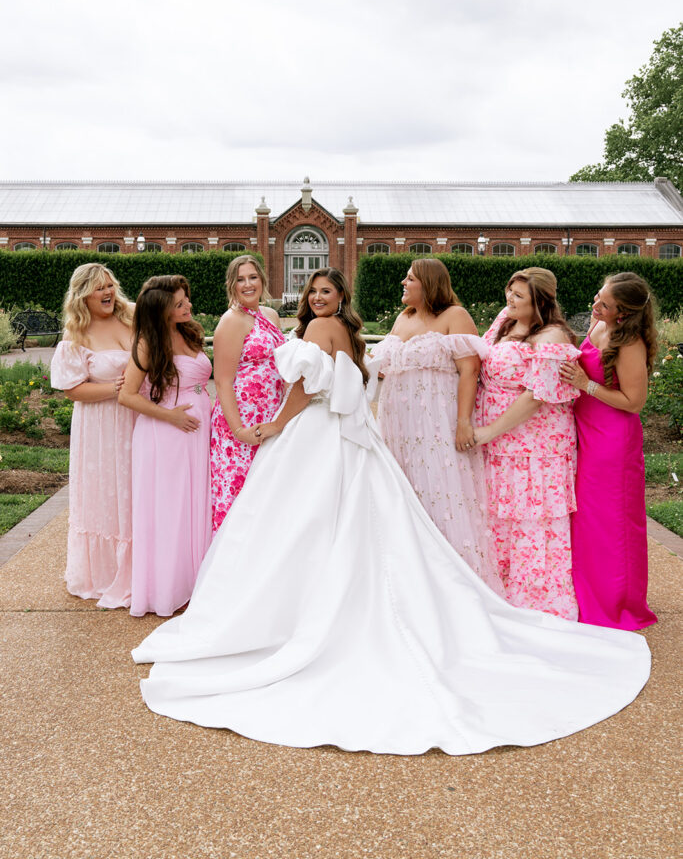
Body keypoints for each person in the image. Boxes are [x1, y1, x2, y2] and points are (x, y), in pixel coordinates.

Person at [131, 268, 649, 757]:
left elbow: (304, 390)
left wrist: (274, 427)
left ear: (339, 300)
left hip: (315, 434)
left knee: (297, 526)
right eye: (312, 292)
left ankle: (290, 615)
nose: (317, 299)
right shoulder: (338, 331)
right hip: (345, 435)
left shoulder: (322, 331)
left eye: (326, 293)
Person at [370, 259, 500, 590]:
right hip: (398, 424)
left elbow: (470, 372)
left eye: (410, 278)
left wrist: (462, 423)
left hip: (436, 422)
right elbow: (386, 368)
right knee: (405, 492)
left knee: (441, 491)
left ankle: (452, 583)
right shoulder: (403, 318)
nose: (403, 282)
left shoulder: (454, 316)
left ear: (428, 283)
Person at [473, 268, 581, 620]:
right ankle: (498, 591)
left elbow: (537, 396)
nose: (510, 300)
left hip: (536, 449)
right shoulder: (506, 320)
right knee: (500, 517)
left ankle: (534, 601)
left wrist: (489, 431)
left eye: (519, 296)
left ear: (541, 302)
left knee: (532, 521)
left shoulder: (553, 337)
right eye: (510, 292)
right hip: (501, 447)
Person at [560, 272, 658, 630]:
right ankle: (589, 594)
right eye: (597, 296)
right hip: (584, 431)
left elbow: (635, 402)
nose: (595, 305)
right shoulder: (596, 324)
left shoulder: (630, 342)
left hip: (612, 441)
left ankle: (618, 602)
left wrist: (586, 385)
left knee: (612, 521)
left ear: (623, 313)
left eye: (604, 303)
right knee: (585, 518)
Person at [119, 275, 212, 617]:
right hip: (165, 435)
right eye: (179, 303)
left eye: (186, 299)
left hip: (197, 430)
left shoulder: (188, 331)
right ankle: (167, 588)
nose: (187, 305)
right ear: (162, 310)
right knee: (172, 510)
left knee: (196, 504)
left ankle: (195, 582)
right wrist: (169, 416)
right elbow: (126, 395)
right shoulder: (147, 342)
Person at [50, 262, 134, 608]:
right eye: (99, 288)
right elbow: (72, 390)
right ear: (83, 294)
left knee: (133, 490)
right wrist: (116, 388)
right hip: (99, 428)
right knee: (104, 492)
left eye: (110, 286)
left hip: (136, 420)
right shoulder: (76, 333)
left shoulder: (131, 317)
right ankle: (104, 573)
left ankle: (138, 568)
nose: (108, 293)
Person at [210, 255, 285, 534]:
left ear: (262, 279)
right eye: (240, 279)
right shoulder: (231, 321)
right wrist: (239, 430)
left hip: (270, 415)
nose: (248, 284)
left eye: (252, 277)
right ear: (232, 285)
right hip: (240, 421)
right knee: (240, 495)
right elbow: (222, 381)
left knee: (267, 493)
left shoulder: (271, 315)